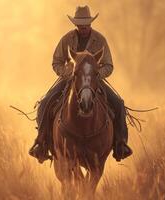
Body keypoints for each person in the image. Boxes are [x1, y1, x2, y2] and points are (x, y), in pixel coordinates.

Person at [29, 5, 132, 163]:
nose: (83, 28)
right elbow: (56, 62)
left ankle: (120, 144)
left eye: (86, 25)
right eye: (80, 25)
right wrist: (68, 73)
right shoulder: (66, 40)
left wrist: (95, 75)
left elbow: (108, 65)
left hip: (93, 80)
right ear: (76, 25)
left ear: (90, 24)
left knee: (118, 104)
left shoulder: (100, 40)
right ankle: (41, 143)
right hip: (70, 78)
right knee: (44, 104)